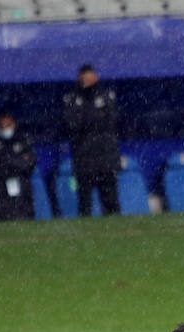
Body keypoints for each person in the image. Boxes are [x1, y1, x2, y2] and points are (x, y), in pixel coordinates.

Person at [62, 64, 121, 217]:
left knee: (111, 202)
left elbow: (110, 121)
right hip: (84, 157)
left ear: (95, 77)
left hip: (106, 156)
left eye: (90, 78)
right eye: (84, 78)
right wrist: (94, 116)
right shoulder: (73, 98)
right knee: (85, 203)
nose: (87, 81)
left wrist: (90, 119)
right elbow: (72, 124)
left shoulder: (106, 95)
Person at [0, 110, 37, 222]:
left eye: (8, 125)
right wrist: (14, 164)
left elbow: (30, 162)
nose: (5, 128)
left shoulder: (23, 140)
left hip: (21, 188)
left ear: (14, 124)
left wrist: (9, 163)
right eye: (2, 125)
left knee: (23, 216)